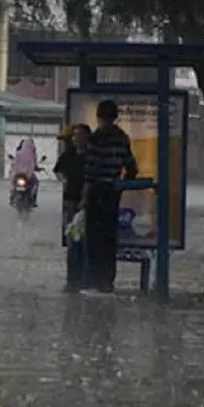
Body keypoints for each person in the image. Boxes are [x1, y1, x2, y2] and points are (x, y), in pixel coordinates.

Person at [79, 100, 138, 296]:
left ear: (98, 116)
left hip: (97, 192)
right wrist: (119, 187)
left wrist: (84, 198)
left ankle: (96, 282)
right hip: (112, 192)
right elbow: (132, 168)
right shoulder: (122, 138)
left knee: (94, 238)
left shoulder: (97, 139)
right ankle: (108, 282)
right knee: (109, 238)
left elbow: (90, 172)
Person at [53, 123, 91, 291]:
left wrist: (85, 199)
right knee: (72, 242)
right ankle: (72, 280)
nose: (75, 140)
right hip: (71, 203)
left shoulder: (91, 157)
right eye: (74, 137)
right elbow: (58, 170)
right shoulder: (68, 155)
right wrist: (64, 181)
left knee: (85, 243)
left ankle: (85, 279)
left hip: (88, 205)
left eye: (79, 136)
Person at [10, 136, 40, 207]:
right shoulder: (32, 154)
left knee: (13, 183)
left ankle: (12, 197)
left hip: (18, 175)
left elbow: (14, 164)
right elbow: (33, 165)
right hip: (27, 175)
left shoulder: (18, 153)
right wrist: (37, 168)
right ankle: (33, 200)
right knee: (36, 183)